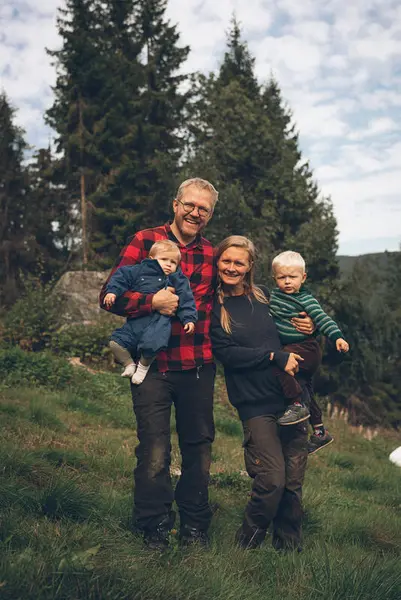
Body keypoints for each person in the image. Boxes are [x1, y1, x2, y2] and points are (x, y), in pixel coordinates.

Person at [100, 178, 218, 550]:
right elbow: (109, 295)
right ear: (175, 204)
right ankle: (154, 525)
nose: (195, 213)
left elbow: (237, 290)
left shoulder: (212, 253)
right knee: (154, 448)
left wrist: (297, 317)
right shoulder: (144, 241)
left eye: (203, 209)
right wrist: (151, 303)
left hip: (197, 363)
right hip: (152, 365)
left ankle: (195, 525)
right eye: (190, 205)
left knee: (198, 447)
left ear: (209, 215)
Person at [210, 236, 311, 552]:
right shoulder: (214, 307)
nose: (232, 267)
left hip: (292, 399)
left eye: (239, 262)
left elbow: (295, 320)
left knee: (292, 483)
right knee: (272, 479)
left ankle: (288, 550)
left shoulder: (266, 296)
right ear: (217, 262)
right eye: (226, 261)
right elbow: (227, 353)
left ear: (250, 266)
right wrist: (272, 356)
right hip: (255, 404)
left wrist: (308, 325)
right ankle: (246, 545)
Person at [269, 251, 349, 453]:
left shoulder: (306, 300)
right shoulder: (273, 296)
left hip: (306, 348)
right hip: (296, 348)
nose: (287, 281)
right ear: (274, 278)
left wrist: (337, 337)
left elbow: (323, 319)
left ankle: (296, 404)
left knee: (280, 363)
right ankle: (320, 432)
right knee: (304, 387)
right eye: (282, 277)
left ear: (303, 278)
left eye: (292, 277)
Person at [104, 240, 197, 385]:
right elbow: (120, 278)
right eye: (164, 259)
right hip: (136, 320)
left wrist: (189, 318)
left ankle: (142, 368)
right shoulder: (138, 271)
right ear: (152, 258)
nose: (168, 264)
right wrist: (112, 292)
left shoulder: (177, 279)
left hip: (159, 323)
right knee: (116, 342)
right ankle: (129, 364)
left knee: (153, 345)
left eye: (173, 262)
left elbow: (187, 299)